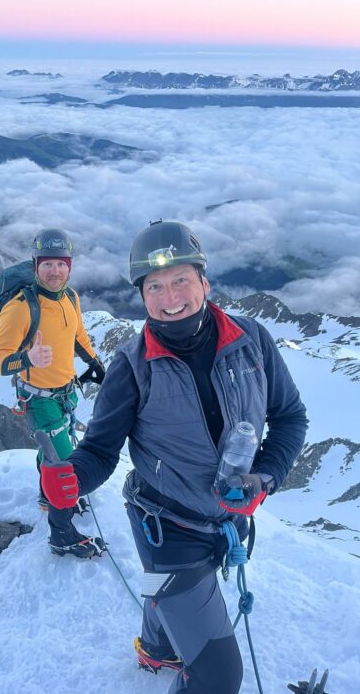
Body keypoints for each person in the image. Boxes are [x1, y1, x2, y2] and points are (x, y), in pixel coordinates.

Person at [40, 219, 308, 693]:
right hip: (166, 527)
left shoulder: (253, 343)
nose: (169, 298)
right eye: (155, 286)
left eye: (180, 279)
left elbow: (289, 419)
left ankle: (157, 648)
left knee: (171, 595)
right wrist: (72, 479)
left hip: (227, 516)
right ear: (141, 297)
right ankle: (166, 644)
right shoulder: (131, 366)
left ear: (204, 281)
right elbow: (101, 450)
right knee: (219, 678)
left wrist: (263, 479)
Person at [0, 227, 106, 559]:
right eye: (47, 264)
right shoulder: (21, 308)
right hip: (38, 399)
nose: (55, 271)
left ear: (69, 266)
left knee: (52, 453)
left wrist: (95, 363)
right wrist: (28, 358)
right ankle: (62, 536)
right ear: (36, 265)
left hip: (65, 394)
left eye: (61, 264)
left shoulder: (71, 297)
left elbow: (78, 334)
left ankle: (46, 496)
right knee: (66, 466)